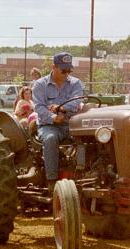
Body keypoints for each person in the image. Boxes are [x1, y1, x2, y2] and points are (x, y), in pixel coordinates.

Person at [33, 52, 84, 192]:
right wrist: (53, 117)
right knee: (50, 139)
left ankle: (83, 176)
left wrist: (60, 108)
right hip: (49, 125)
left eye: (69, 70)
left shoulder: (76, 83)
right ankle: (52, 181)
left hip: (71, 124)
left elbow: (77, 102)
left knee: (88, 139)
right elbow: (39, 107)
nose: (66, 73)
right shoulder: (40, 85)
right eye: (63, 70)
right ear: (54, 67)